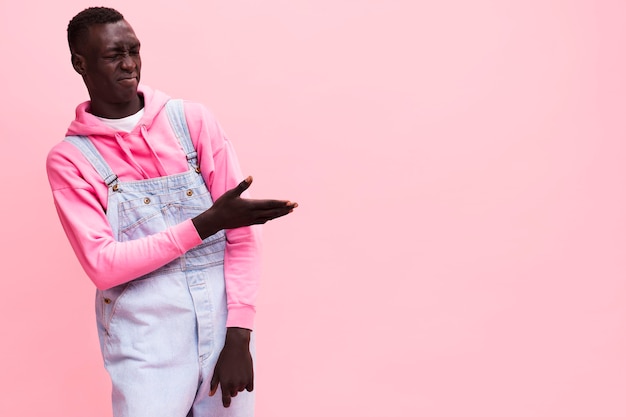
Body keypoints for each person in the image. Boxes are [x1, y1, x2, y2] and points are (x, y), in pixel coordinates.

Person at [46, 6, 297, 417]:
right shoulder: (71, 160)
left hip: (224, 333)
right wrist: (206, 223)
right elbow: (104, 265)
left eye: (134, 51)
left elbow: (243, 231)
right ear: (81, 63)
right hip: (147, 341)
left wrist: (239, 336)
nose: (129, 65)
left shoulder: (192, 122)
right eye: (113, 55)